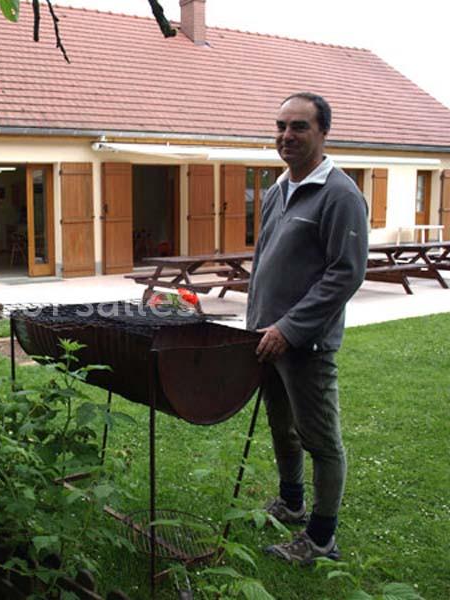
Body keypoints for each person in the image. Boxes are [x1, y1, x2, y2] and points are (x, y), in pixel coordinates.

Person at [246, 92, 368, 565]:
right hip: (265, 340)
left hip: (305, 344)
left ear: (323, 132)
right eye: (280, 126)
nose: (286, 136)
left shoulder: (340, 195)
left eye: (298, 127)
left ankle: (320, 539)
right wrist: (259, 324)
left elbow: (345, 273)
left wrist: (290, 328)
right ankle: (292, 503)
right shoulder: (277, 190)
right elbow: (267, 265)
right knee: (282, 429)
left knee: (320, 439)